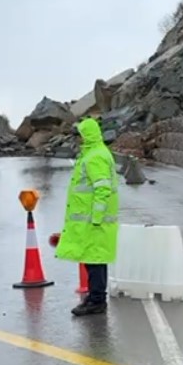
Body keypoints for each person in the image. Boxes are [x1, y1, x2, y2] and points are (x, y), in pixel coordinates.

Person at [55, 117, 119, 317]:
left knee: (95, 260)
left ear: (87, 136)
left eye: (80, 136)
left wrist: (97, 217)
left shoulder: (95, 157)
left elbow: (102, 188)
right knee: (94, 259)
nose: (78, 139)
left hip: (95, 220)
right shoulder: (94, 153)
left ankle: (97, 300)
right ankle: (95, 297)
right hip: (94, 219)